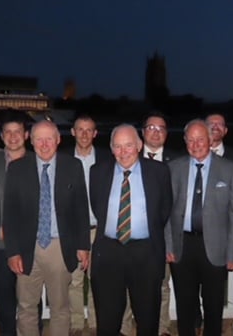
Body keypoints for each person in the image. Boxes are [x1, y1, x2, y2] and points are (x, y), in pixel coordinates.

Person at [3, 120, 90, 336]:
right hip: (26, 247)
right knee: (26, 307)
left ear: (58, 140)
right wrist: (12, 250)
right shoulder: (17, 168)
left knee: (60, 307)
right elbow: (10, 214)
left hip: (60, 248)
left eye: (49, 138)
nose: (44, 144)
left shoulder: (73, 166)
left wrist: (83, 245)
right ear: (31, 141)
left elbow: (81, 209)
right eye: (39, 139)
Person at [90, 124, 172, 336]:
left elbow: (163, 210)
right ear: (111, 149)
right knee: (107, 322)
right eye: (118, 146)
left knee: (147, 320)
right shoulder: (98, 172)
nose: (123, 152)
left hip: (145, 253)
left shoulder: (159, 171)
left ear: (139, 145)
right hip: (109, 253)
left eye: (128, 145)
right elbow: (97, 206)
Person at [166, 119, 233, 336]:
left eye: (200, 139)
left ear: (210, 140)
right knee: (184, 303)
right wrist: (168, 246)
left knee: (213, 304)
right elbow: (166, 211)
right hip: (183, 246)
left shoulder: (227, 168)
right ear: (184, 141)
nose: (195, 144)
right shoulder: (174, 168)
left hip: (216, 247)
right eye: (190, 140)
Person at [62, 115, 111, 336]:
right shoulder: (61, 160)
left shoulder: (107, 159)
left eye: (88, 130)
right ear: (72, 132)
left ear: (95, 133)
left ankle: (94, 323)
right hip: (72, 231)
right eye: (79, 129)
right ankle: (75, 324)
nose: (84, 134)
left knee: (97, 280)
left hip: (100, 230)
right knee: (74, 280)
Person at [0, 116, 30, 336]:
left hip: (31, 243)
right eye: (7, 132)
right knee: (4, 300)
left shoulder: (38, 161)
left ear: (26, 135)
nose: (12, 137)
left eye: (17, 131)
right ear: (1, 137)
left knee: (30, 301)